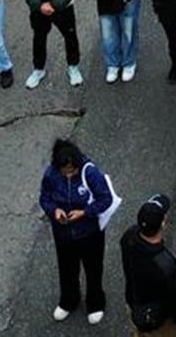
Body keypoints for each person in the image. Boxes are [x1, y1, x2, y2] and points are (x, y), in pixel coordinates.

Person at [39, 138, 114, 324]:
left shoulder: (90, 173)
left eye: (71, 170)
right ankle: (69, 300)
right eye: (64, 171)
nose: (68, 174)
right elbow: (45, 198)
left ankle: (95, 303)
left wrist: (84, 212)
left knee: (93, 269)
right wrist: (54, 210)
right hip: (63, 232)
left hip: (89, 233)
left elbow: (105, 199)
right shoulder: (51, 174)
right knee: (66, 269)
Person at [120, 195, 176, 334]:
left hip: (134, 303)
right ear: (162, 224)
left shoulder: (128, 237)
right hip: (159, 318)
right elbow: (175, 297)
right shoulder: (165, 264)